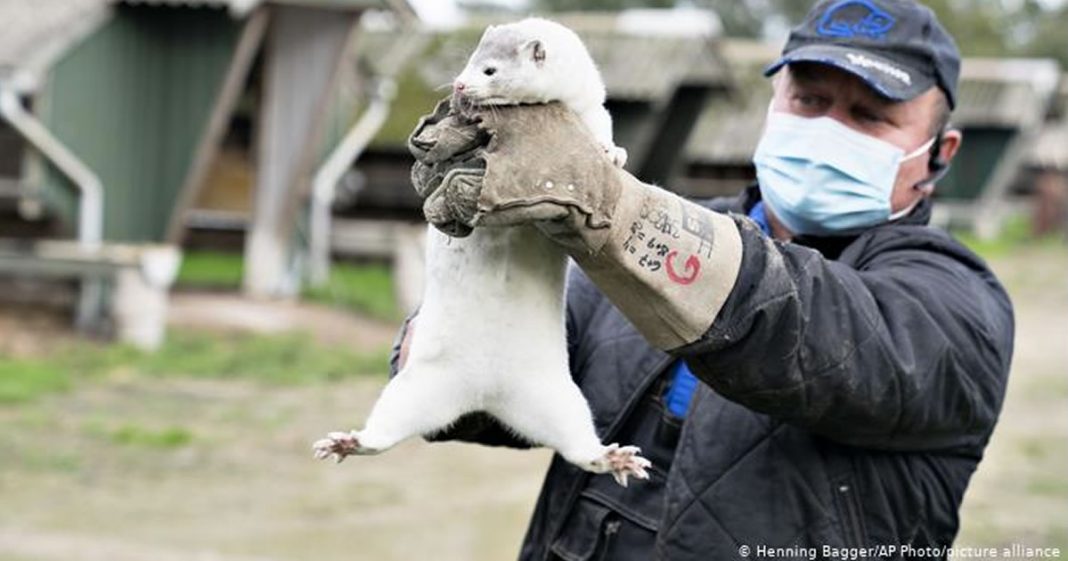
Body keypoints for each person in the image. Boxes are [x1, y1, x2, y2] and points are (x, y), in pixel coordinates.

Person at [396, 1, 1015, 559]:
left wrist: (615, 214)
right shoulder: (668, 227)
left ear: (942, 152)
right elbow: (506, 389)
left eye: (869, 115)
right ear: (774, 105)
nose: (830, 129)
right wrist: (455, 323)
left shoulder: (956, 301)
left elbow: (811, 325)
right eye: (810, 100)